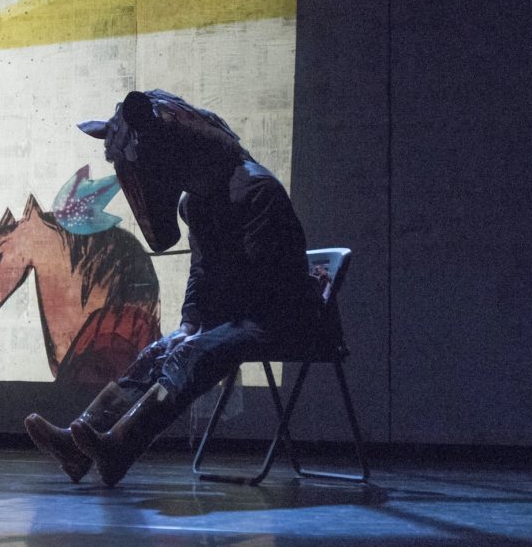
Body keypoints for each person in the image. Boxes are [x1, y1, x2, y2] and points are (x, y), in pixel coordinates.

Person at [24, 90, 326, 487]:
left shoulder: (256, 191)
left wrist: (206, 326)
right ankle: (80, 442)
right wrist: (190, 321)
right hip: (242, 315)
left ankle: (120, 446)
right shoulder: (199, 203)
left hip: (281, 318)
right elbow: (201, 271)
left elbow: (269, 287)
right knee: (160, 351)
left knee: (192, 352)